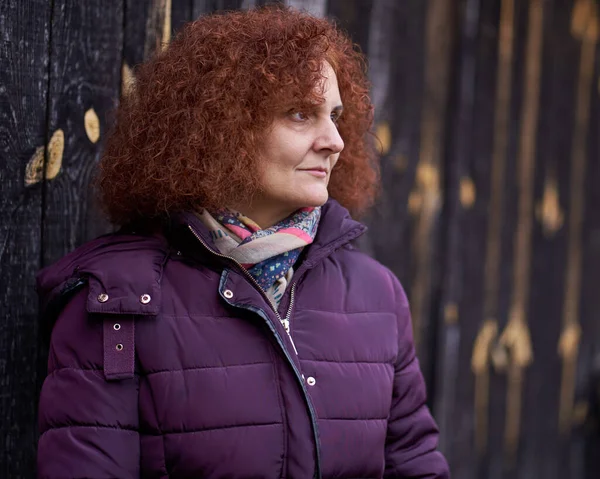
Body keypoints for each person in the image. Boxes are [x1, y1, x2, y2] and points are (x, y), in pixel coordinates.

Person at [36, 6, 450, 479]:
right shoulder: (117, 298)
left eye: (334, 116)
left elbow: (415, 465)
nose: (335, 140)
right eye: (300, 114)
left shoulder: (376, 295)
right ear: (220, 126)